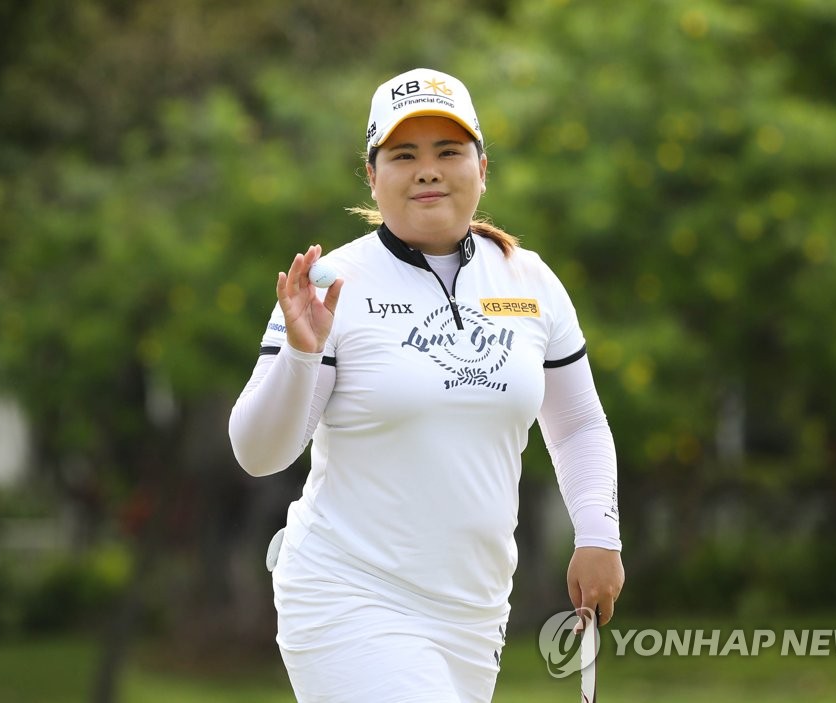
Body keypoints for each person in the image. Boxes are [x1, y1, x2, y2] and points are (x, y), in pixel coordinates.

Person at [229, 67, 624, 703]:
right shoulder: (332, 284)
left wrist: (599, 534)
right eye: (404, 155)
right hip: (348, 595)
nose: (428, 171)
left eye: (448, 152)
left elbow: (578, 425)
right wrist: (301, 353)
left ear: (482, 168)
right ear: (372, 175)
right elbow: (258, 453)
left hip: (474, 617)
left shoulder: (530, 281)